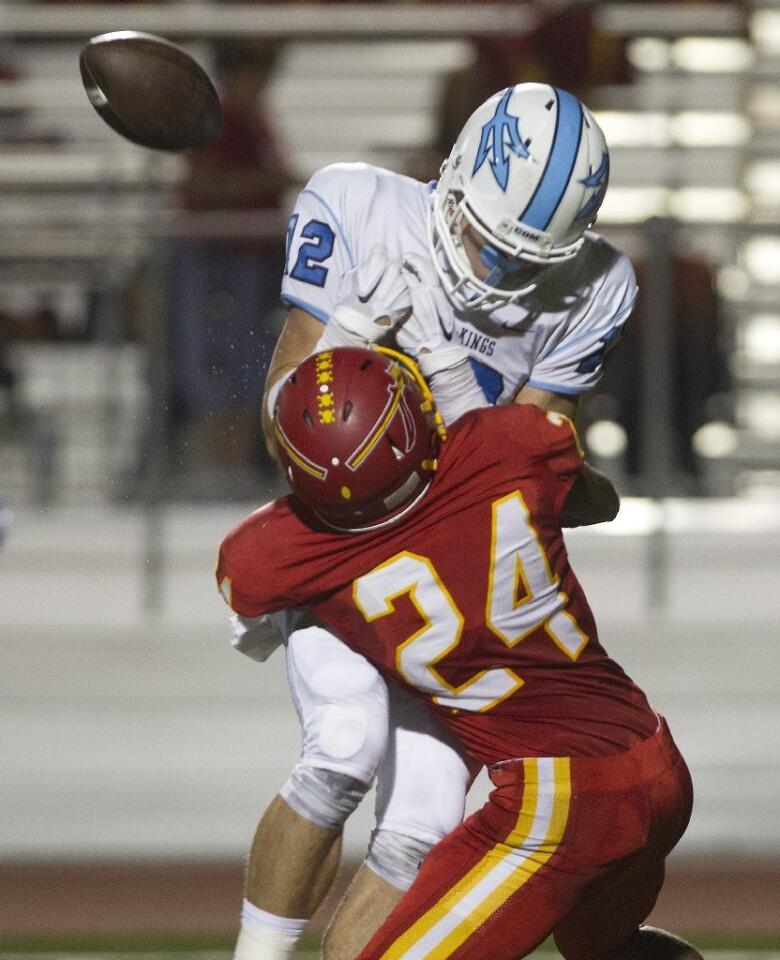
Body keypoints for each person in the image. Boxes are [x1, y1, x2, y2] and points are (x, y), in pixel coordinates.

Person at [234, 83, 638, 960]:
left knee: (422, 819)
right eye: (485, 243)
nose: (494, 274)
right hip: (348, 547)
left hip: (456, 574)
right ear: (451, 177)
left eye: (524, 259)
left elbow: (520, 481)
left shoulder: (598, 286)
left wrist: (449, 388)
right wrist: (342, 336)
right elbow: (280, 431)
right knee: (343, 747)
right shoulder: (357, 206)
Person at [217, 346, 700, 960]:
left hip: (560, 803)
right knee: (610, 952)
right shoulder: (515, 443)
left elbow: (252, 587)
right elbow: (595, 500)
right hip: (655, 762)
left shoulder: (275, 554)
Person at [168, 39, 295, 477]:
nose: (260, 85)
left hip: (250, 261)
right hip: (212, 261)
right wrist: (269, 181)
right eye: (253, 74)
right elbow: (204, 186)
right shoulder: (216, 116)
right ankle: (220, 472)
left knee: (252, 365)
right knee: (212, 369)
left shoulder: (256, 120)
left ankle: (238, 471)